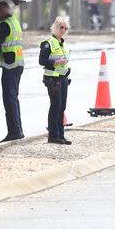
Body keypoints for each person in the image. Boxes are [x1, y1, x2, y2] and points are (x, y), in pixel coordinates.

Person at [0, 1, 25, 143]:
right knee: (13, 99)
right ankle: (17, 130)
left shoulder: (5, 23)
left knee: (9, 100)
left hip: (10, 66)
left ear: (3, 10)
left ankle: (14, 132)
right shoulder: (14, 20)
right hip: (18, 64)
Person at [39, 16, 72, 145]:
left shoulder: (63, 43)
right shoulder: (48, 43)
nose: (63, 30)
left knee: (62, 107)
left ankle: (61, 135)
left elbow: (64, 62)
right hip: (53, 79)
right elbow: (42, 61)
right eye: (61, 27)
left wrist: (67, 70)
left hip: (63, 78)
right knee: (55, 107)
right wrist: (56, 62)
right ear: (55, 27)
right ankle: (53, 135)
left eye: (65, 28)